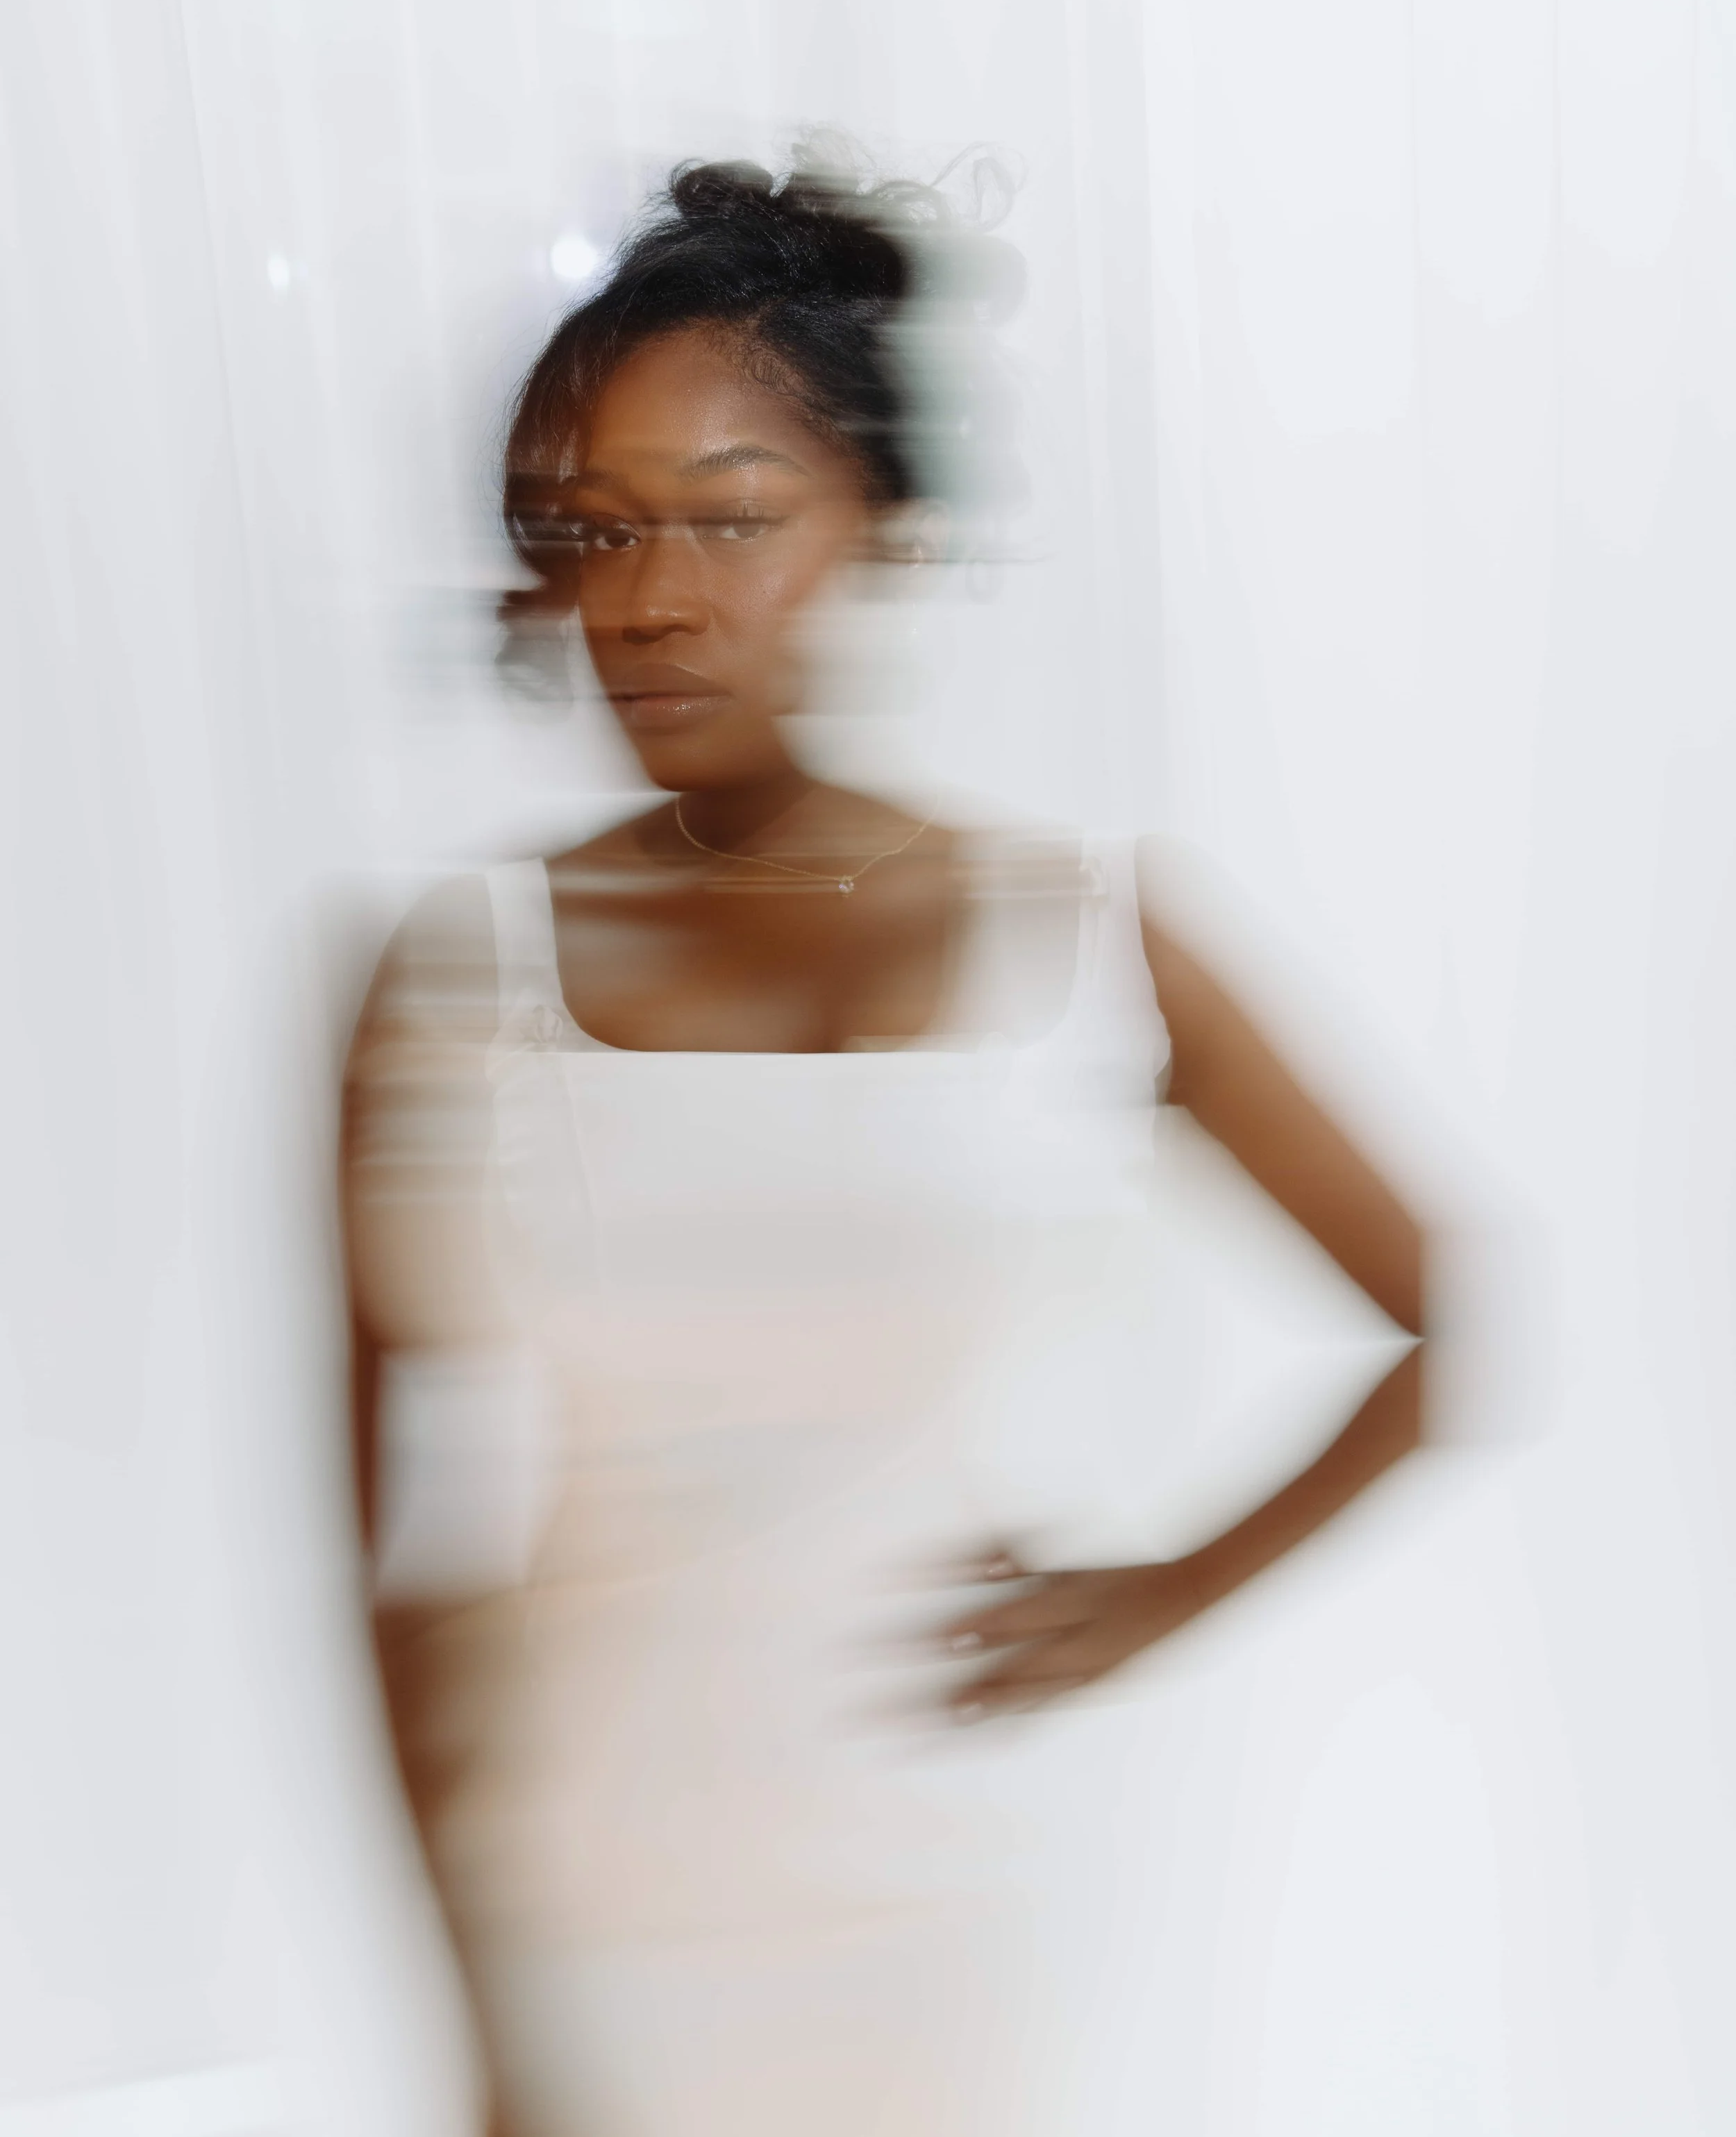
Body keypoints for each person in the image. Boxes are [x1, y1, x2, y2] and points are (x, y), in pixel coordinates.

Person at [342, 159, 1433, 2136]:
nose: (652, 596)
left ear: (886, 531)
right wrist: (481, 2015)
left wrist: (1163, 1589)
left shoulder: (1087, 934)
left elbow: (1445, 1317)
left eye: (730, 521)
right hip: (592, 1920)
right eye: (593, 530)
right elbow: (399, 1560)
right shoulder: (449, 986)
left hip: (979, 1919)